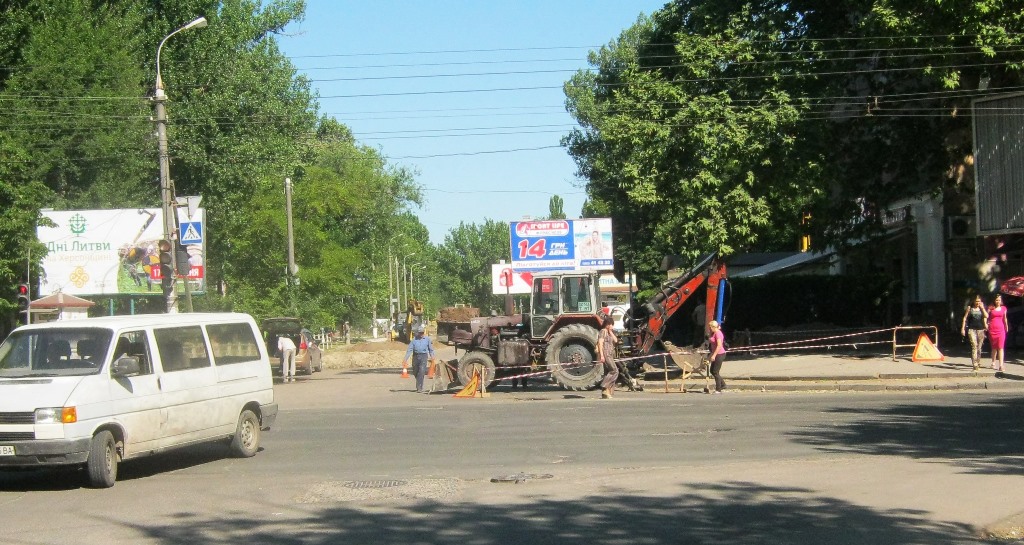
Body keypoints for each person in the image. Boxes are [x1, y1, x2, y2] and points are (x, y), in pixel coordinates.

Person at [402, 326, 435, 393]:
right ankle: (419, 382)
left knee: (422, 371)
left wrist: (432, 357)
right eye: (420, 333)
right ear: (418, 333)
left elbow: (430, 349)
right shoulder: (414, 340)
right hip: (415, 356)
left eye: (422, 333)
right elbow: (409, 350)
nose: (421, 334)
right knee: (415, 371)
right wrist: (405, 359)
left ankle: (419, 387)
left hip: (423, 356)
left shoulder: (427, 339)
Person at [960, 295, 989, 371]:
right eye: (976, 301)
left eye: (979, 301)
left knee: (979, 347)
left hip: (981, 330)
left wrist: (982, 308)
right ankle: (974, 364)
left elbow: (987, 316)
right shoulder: (970, 308)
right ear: (973, 301)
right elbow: (965, 318)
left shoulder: (982, 309)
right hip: (972, 329)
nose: (977, 303)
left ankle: (978, 362)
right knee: (974, 346)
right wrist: (963, 328)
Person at [597, 316, 619, 399]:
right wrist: (602, 355)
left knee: (608, 372)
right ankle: (604, 386)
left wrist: (611, 331)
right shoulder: (603, 331)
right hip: (606, 353)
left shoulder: (609, 332)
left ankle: (606, 392)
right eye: (610, 324)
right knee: (614, 370)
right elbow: (600, 343)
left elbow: (616, 340)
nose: (612, 326)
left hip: (610, 353)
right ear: (607, 324)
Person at [989, 294, 1010, 372]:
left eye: (999, 300)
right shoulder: (991, 308)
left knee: (1000, 347)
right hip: (992, 329)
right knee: (994, 347)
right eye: (997, 300)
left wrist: (1006, 326)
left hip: (1001, 330)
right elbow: (987, 318)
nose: (998, 301)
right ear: (994, 301)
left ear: (1001, 301)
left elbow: (1005, 319)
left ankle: (1001, 365)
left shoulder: (1004, 308)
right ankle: (993, 362)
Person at [708, 320, 727, 393]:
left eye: (710, 327)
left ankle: (718, 389)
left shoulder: (718, 334)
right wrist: (710, 356)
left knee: (715, 371)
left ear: (713, 327)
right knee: (712, 371)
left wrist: (714, 356)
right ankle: (723, 384)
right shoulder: (714, 333)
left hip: (719, 354)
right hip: (716, 353)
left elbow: (719, 345)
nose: (709, 329)